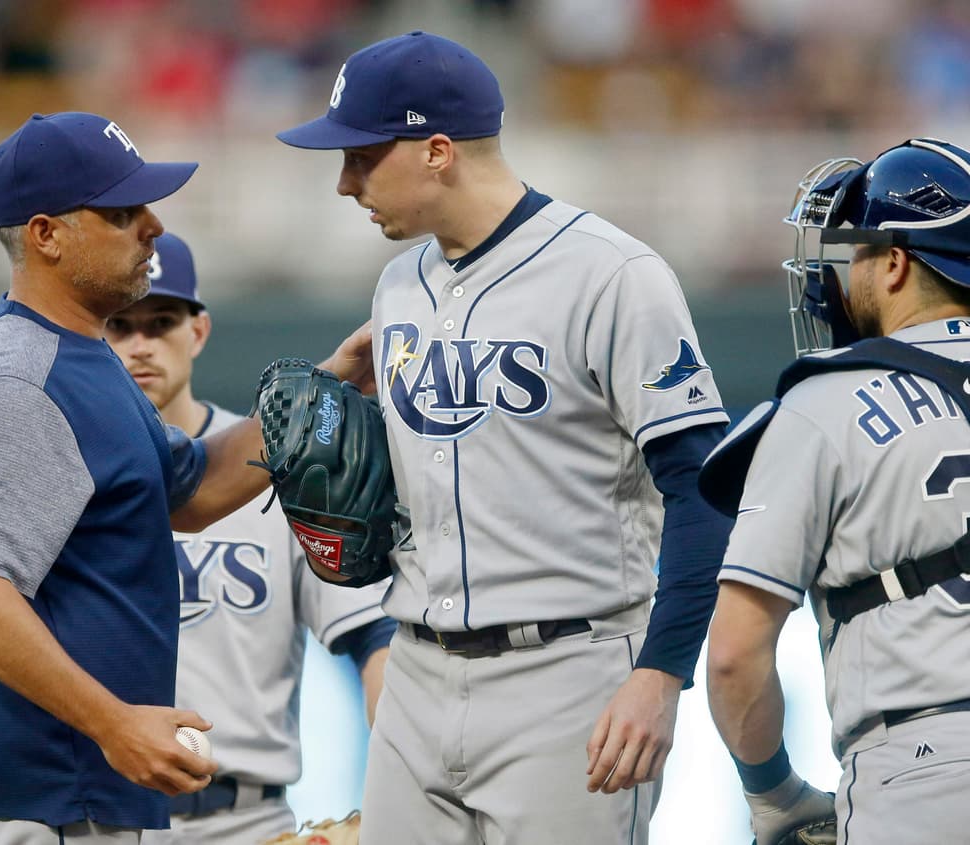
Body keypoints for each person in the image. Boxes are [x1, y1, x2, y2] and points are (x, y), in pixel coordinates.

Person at [276, 31, 734, 845]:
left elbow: (700, 489)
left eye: (360, 157)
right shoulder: (398, 285)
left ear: (438, 151)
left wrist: (662, 673)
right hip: (416, 672)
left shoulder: (612, 274)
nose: (344, 183)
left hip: (569, 671)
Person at [0, 112, 373, 844]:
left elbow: (195, 489)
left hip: (66, 789)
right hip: (25, 797)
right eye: (120, 212)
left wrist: (324, 387)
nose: (152, 225)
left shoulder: (86, 359)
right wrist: (112, 722)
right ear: (45, 234)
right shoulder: (22, 379)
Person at [702, 138, 970, 844]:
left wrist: (773, 793)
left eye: (856, 251)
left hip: (922, 773)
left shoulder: (827, 400)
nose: (843, 273)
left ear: (896, 262)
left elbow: (734, 652)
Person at [105, 231, 396, 844]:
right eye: (120, 325)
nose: (140, 344)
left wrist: (401, 793)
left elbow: (375, 639)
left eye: (161, 322)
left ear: (199, 331)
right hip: (98, 818)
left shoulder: (276, 467)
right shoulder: (60, 474)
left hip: (246, 820)